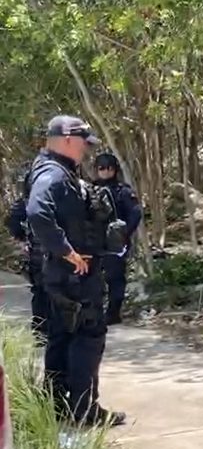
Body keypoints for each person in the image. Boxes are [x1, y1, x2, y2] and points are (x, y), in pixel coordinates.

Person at [26, 115, 126, 427]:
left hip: (61, 275)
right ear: (68, 139)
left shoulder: (53, 170)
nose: (86, 150)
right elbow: (36, 213)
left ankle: (55, 406)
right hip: (74, 277)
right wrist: (67, 252)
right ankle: (84, 411)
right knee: (88, 336)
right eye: (83, 142)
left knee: (62, 336)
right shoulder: (53, 176)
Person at [92, 151, 142, 325]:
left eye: (109, 168)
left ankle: (113, 313)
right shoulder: (90, 190)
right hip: (94, 242)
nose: (105, 172)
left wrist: (124, 233)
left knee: (115, 278)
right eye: (101, 168)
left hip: (115, 243)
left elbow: (135, 213)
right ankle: (94, 312)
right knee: (92, 278)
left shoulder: (123, 191)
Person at [5, 165, 49, 341]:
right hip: (42, 253)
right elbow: (13, 222)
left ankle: (42, 331)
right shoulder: (31, 201)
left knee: (42, 293)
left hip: (45, 252)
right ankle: (42, 331)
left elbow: (12, 222)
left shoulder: (30, 201)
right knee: (43, 292)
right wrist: (23, 239)